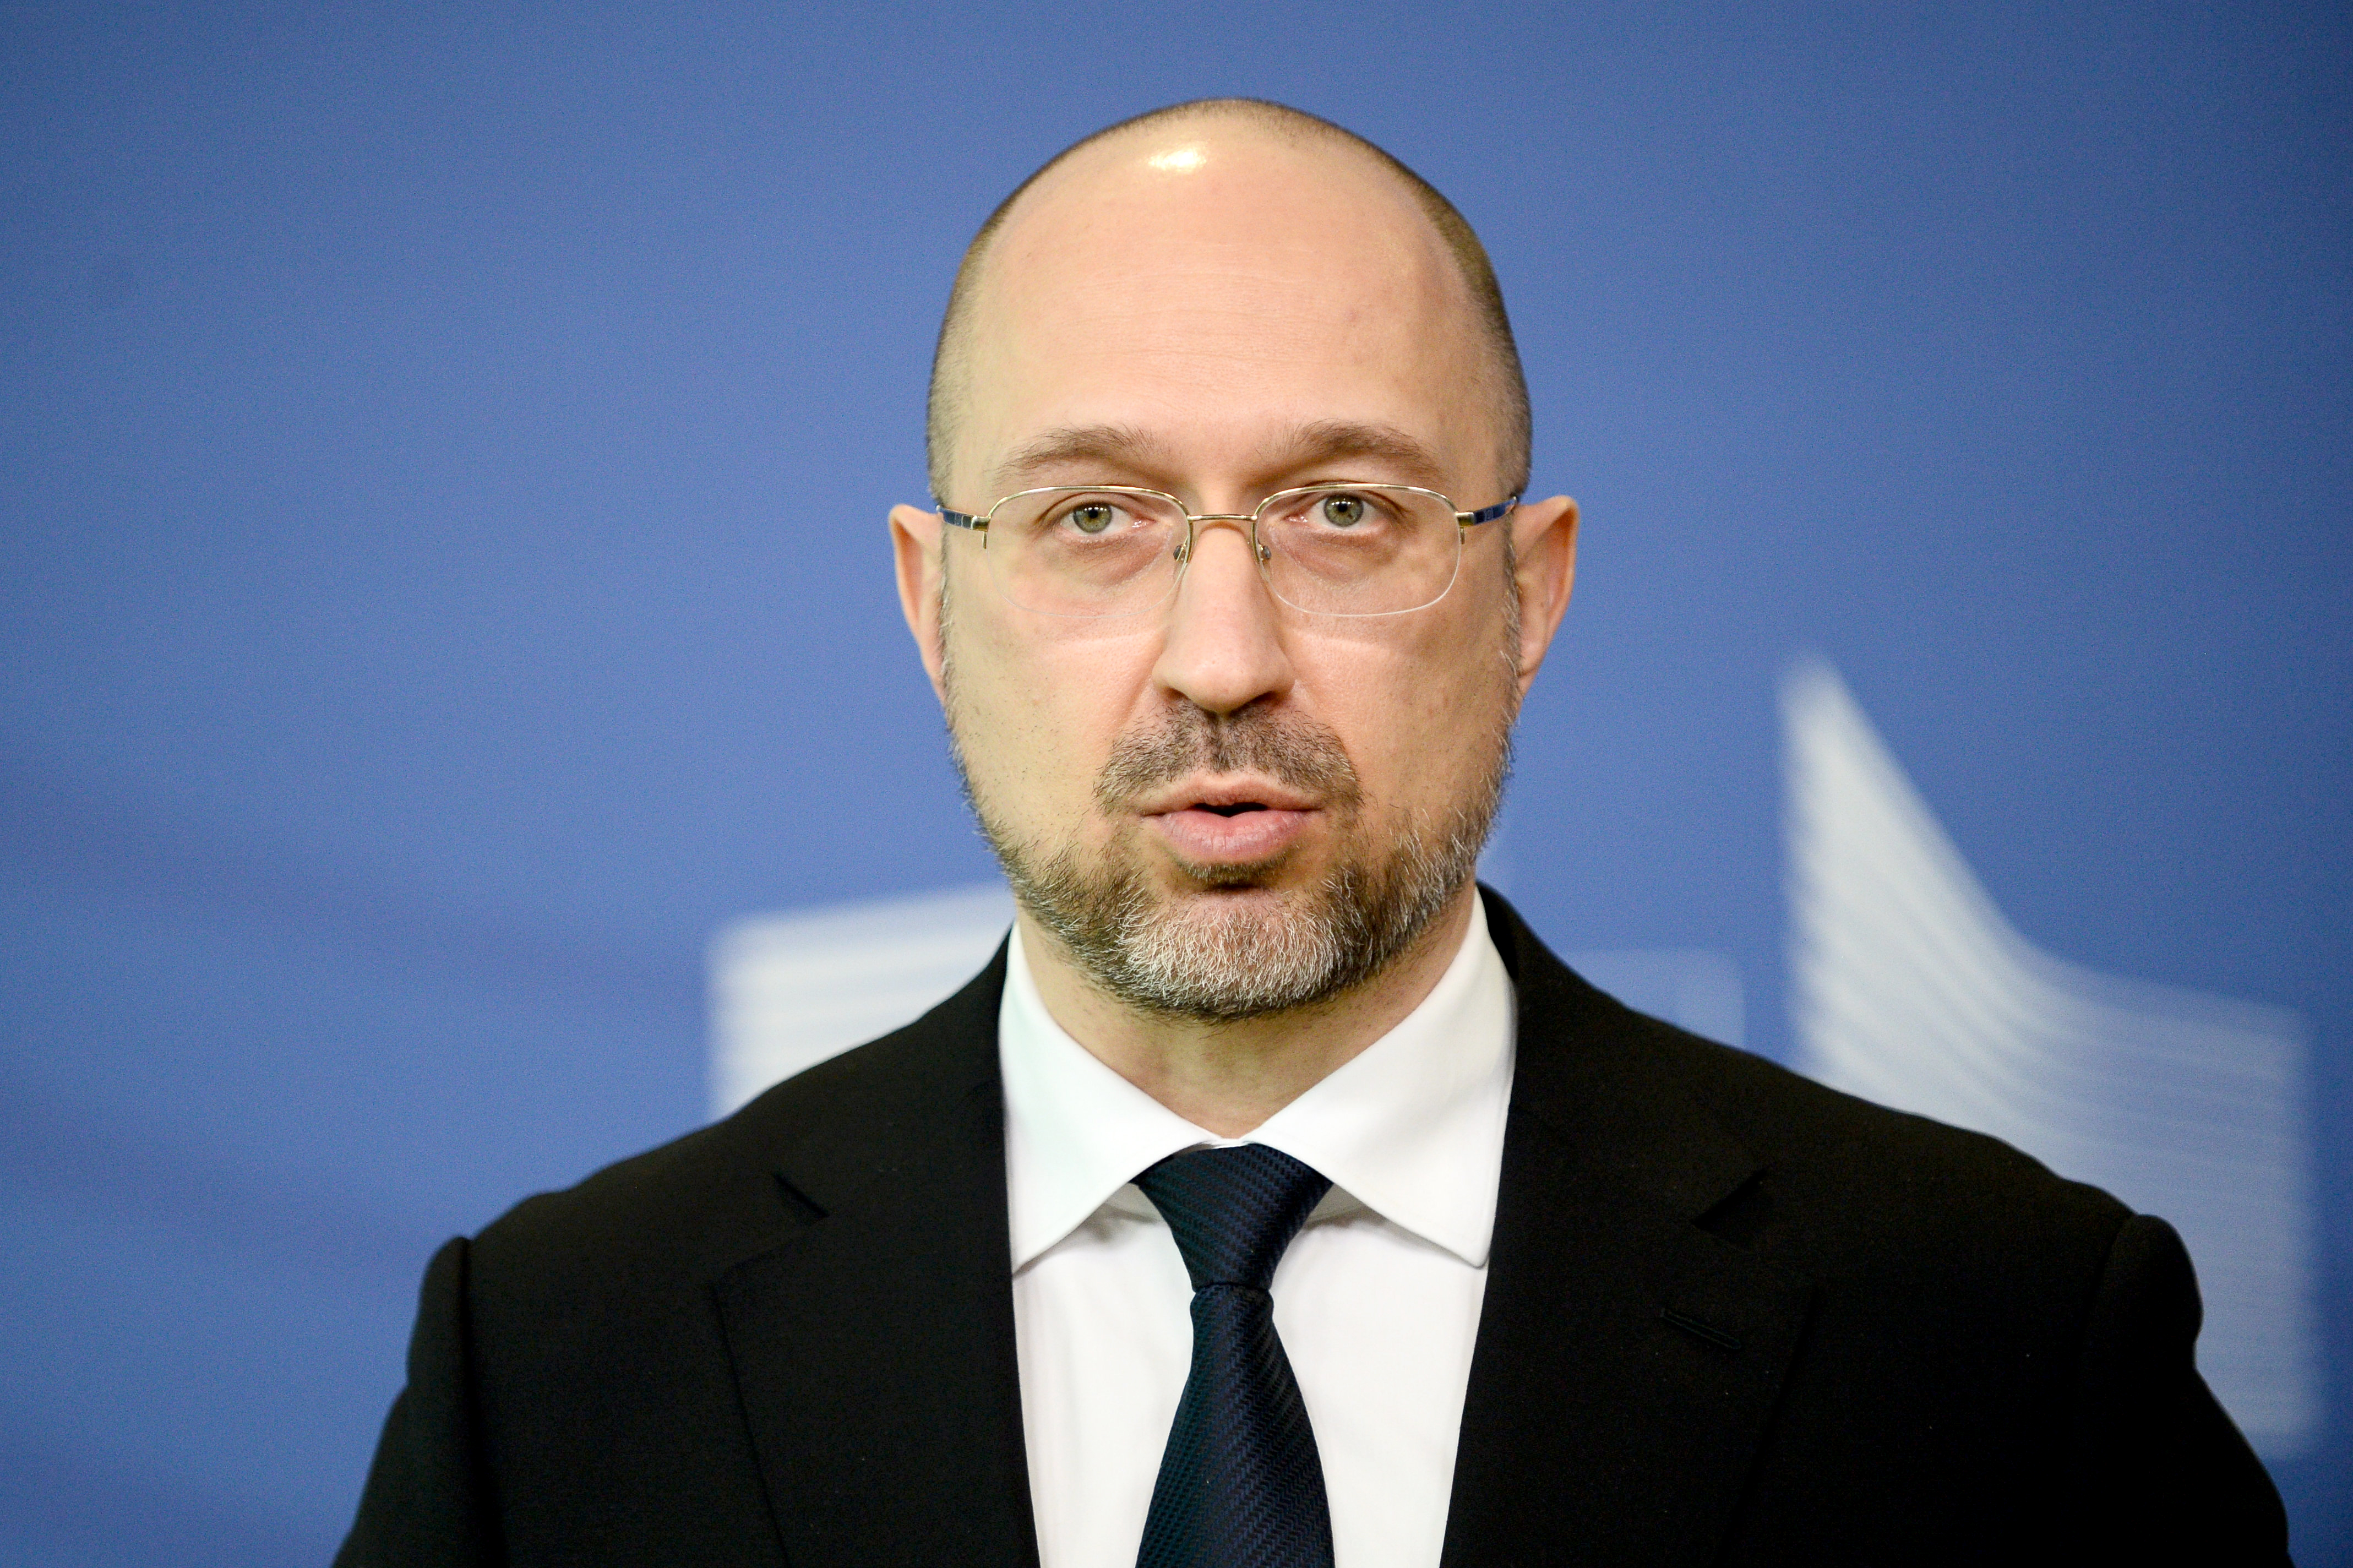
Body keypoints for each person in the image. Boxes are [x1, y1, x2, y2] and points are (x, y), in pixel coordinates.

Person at [337, 99, 2289, 1566]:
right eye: (1094, 516)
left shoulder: (2004, 1341)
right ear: (934, 609)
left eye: (1341, 510)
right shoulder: (559, 1363)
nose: (1220, 656)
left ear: (1527, 595)